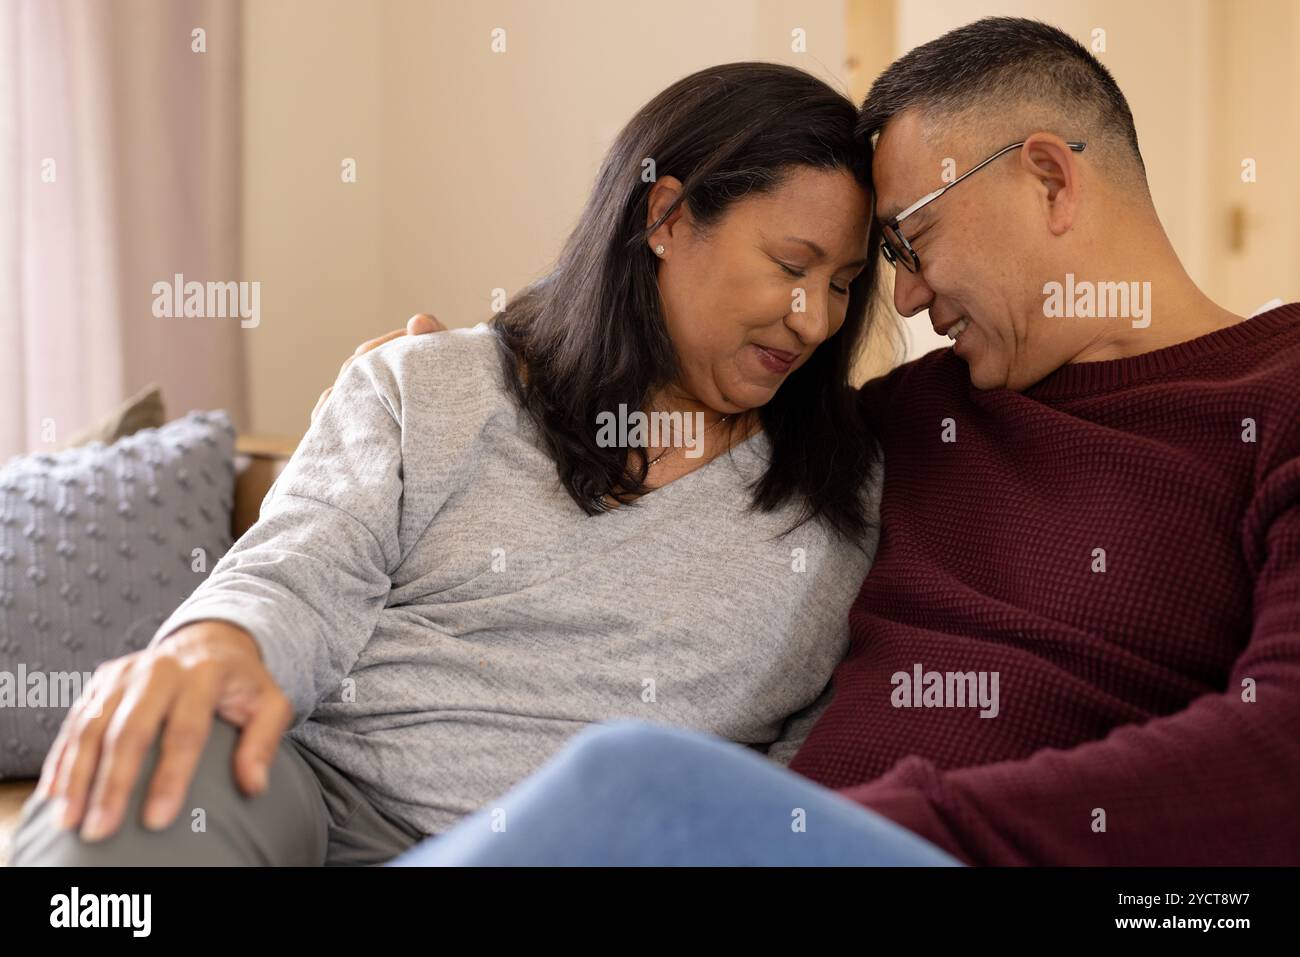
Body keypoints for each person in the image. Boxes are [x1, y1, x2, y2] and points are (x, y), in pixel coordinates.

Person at [387, 17, 1300, 867]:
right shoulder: (911, 418)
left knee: (628, 779)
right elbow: (675, 400)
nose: (902, 300)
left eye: (911, 238)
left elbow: (1278, 752)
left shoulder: (1280, 397)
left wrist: (876, 825)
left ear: (1050, 178)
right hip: (784, 835)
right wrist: (466, 379)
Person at [11, 62, 885, 866]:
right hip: (315, 793)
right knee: (150, 766)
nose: (815, 321)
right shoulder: (430, 384)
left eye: (843, 283)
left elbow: (799, 767)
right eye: (791, 266)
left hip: (579, 847)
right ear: (665, 219)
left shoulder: (848, 494)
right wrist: (216, 640)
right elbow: (302, 565)